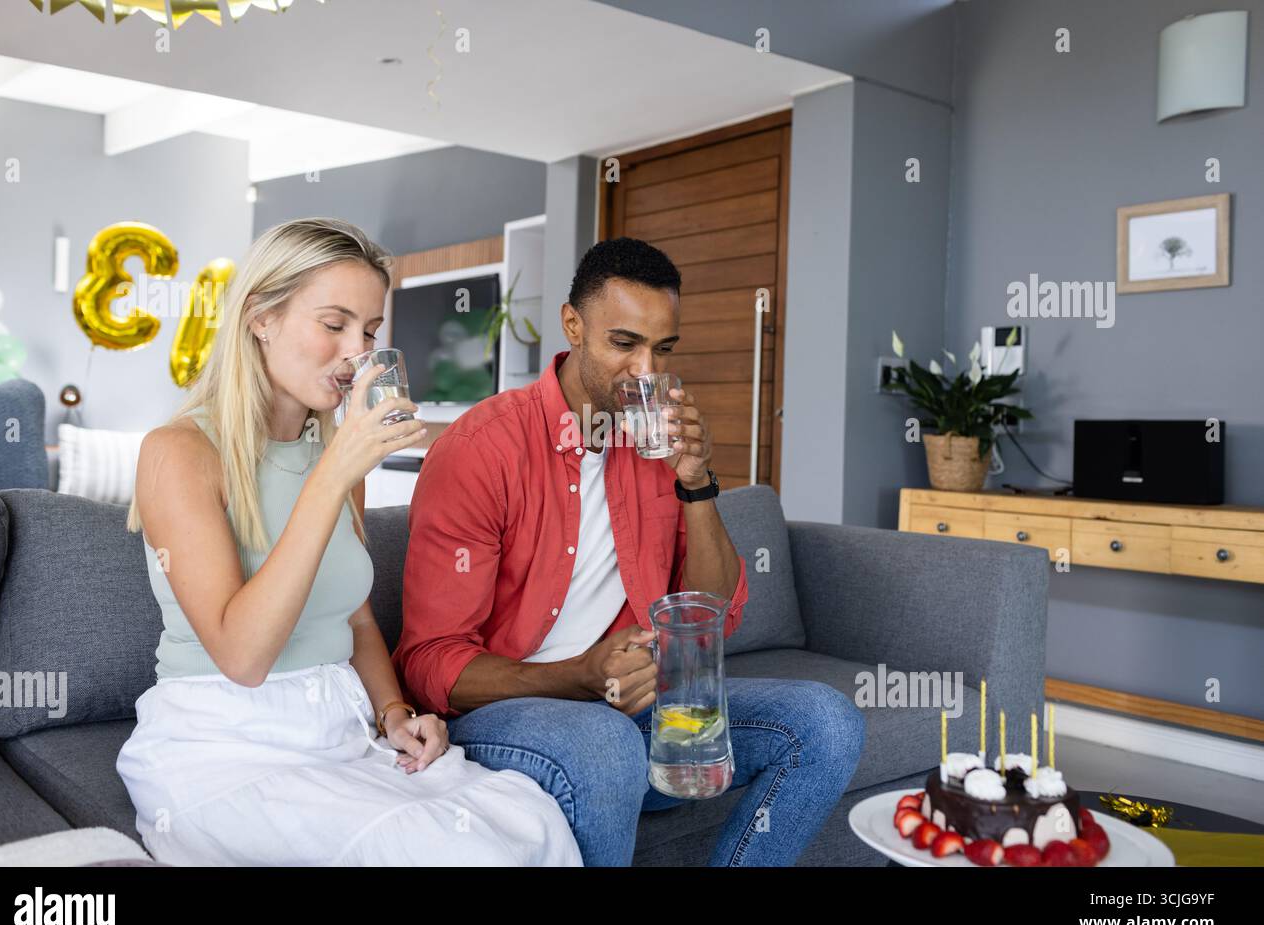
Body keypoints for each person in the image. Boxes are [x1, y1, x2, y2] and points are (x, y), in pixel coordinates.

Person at [117, 217, 581, 867]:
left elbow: (355, 615)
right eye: (333, 324)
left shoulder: (337, 456)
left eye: (368, 331)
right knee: (450, 852)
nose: (354, 352)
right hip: (222, 744)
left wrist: (394, 711)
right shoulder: (179, 453)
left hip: (336, 730)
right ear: (261, 318)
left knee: (532, 821)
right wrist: (333, 473)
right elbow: (243, 656)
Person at [398, 237, 865, 866]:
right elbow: (431, 662)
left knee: (826, 722)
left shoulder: (654, 447)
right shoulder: (481, 449)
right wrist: (581, 675)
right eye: (625, 344)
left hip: (635, 708)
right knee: (604, 746)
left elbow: (713, 615)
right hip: (507, 714)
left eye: (662, 348)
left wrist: (696, 483)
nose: (646, 372)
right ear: (573, 326)